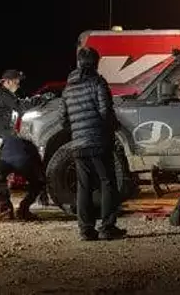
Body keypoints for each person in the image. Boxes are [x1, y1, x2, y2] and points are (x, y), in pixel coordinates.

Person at [58, 47, 127, 241]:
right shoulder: (97, 82)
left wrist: (77, 130)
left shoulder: (68, 88)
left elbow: (63, 120)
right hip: (98, 141)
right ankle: (107, 227)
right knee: (107, 182)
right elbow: (106, 112)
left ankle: (86, 230)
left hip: (78, 144)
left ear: (78, 62)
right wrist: (114, 128)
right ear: (96, 63)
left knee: (84, 186)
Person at [0, 70, 48, 212]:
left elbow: (20, 107)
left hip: (5, 135)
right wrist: (39, 99)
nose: (18, 84)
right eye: (16, 81)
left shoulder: (8, 95)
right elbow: (21, 106)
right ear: (7, 81)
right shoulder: (3, 95)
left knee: (2, 168)